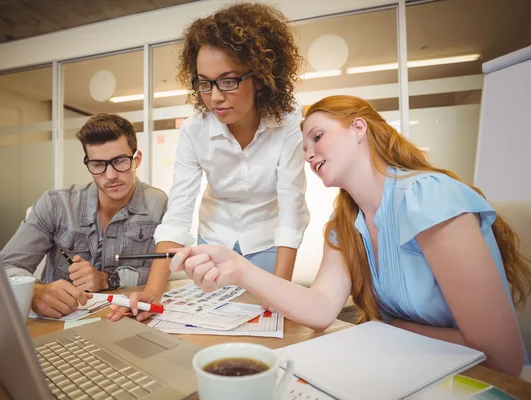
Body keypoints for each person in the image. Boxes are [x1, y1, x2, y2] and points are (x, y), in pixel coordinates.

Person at [168, 95, 531, 377]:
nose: (309, 155)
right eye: (304, 147)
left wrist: (392, 328)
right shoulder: (344, 224)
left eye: (318, 137)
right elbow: (321, 309)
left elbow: (501, 358)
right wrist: (239, 269)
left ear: (359, 128)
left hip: (475, 380)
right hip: (408, 369)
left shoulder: (429, 196)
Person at [109, 3, 309, 322]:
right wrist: (153, 292)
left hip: (268, 240)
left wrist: (281, 293)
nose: (215, 97)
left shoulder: (288, 123)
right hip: (214, 239)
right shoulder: (195, 130)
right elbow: (178, 214)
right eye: (204, 82)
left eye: (228, 81)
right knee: (213, 324)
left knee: (268, 322)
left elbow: (291, 211)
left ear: (259, 78)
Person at [1, 114, 167, 318]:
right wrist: (35, 291)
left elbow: (163, 271)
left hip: (128, 320)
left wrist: (108, 279)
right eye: (98, 165)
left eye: (120, 162)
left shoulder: (158, 204)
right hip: (59, 324)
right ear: (88, 164)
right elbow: (5, 267)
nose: (111, 175)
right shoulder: (55, 205)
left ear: (137, 159)